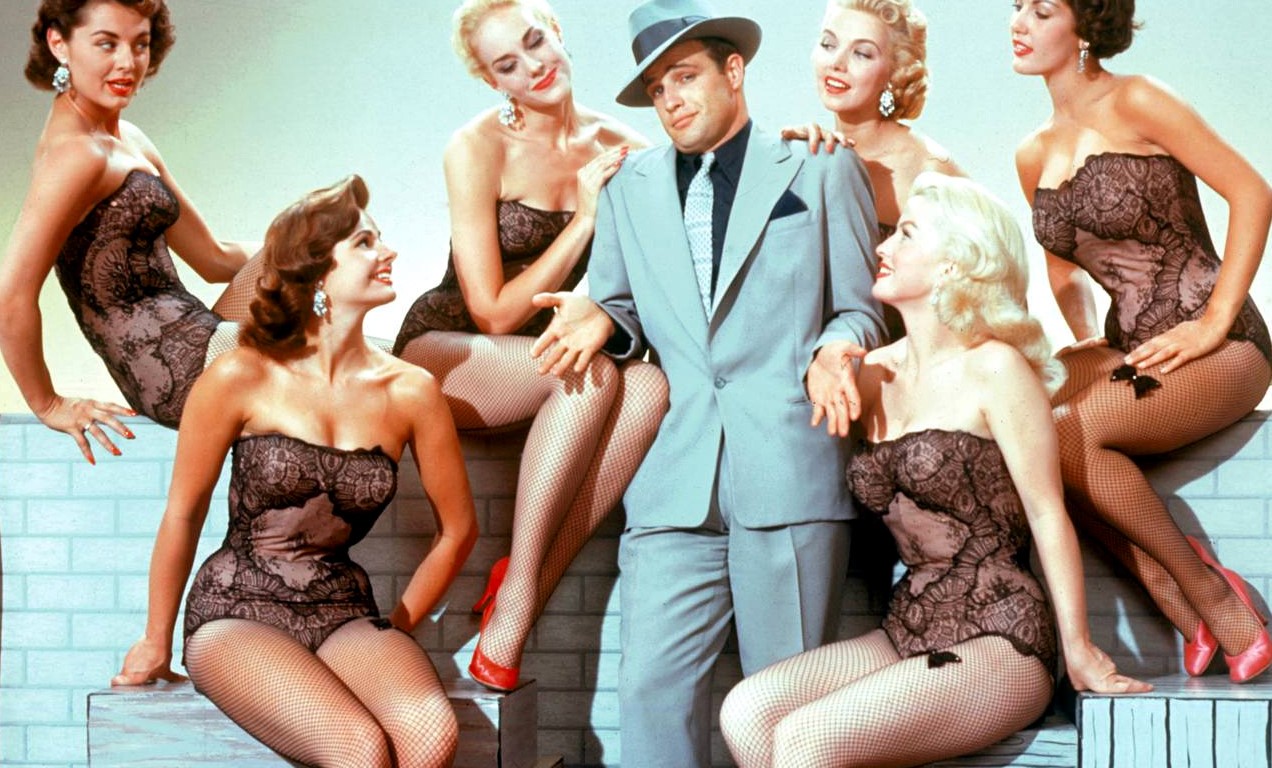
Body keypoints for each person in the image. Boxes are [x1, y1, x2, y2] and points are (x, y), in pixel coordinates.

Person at [531, 1, 885, 763]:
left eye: (684, 76)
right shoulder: (626, 189)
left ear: (733, 70)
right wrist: (601, 318)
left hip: (789, 470)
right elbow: (622, 306)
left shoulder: (821, 166)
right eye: (657, 89)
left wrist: (834, 349)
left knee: (786, 713)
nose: (671, 99)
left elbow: (862, 310)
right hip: (673, 481)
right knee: (648, 698)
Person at [718, 173, 1149, 768]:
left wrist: (1079, 650)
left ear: (953, 263)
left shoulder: (995, 368)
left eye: (906, 234)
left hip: (1002, 635)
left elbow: (1048, 513)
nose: (883, 247)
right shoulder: (870, 374)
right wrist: (824, 356)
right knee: (745, 712)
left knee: (806, 741)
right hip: (908, 627)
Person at [111, 175, 479, 767]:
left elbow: (457, 530)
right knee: (359, 749)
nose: (387, 252)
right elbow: (183, 512)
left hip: (342, 610)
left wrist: (397, 626)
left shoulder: (411, 390)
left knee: (430, 737)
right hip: (236, 609)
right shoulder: (240, 375)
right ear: (317, 272)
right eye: (364, 243)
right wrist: (156, 639)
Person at [389, 0, 669, 693]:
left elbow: (651, 282)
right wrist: (583, 220)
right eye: (508, 65)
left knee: (648, 387)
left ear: (558, 33)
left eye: (536, 42)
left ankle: (526, 581)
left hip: (547, 356)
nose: (534, 67)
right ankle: (516, 603)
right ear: (493, 82)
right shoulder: (476, 147)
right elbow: (490, 312)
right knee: (587, 375)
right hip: (450, 349)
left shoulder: (626, 147)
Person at [1012, 0, 1271, 682]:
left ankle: (1214, 597)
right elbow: (1063, 268)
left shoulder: (1138, 100)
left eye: (1041, 10)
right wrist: (1082, 341)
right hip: (1130, 349)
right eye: (1017, 7)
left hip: (1222, 347)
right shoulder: (1032, 152)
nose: (1019, 22)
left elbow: (1252, 192)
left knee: (1068, 431)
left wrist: (1213, 320)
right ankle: (1177, 596)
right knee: (1025, 429)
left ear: (1085, 25)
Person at [0, 0, 257, 464]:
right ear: (59, 44)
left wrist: (312, 246)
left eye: (140, 45)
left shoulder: (129, 139)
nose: (128, 63)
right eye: (106, 44)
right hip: (174, 371)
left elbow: (215, 259)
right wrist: (48, 404)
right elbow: (11, 295)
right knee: (380, 373)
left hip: (202, 333)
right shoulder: (76, 155)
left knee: (326, 256)